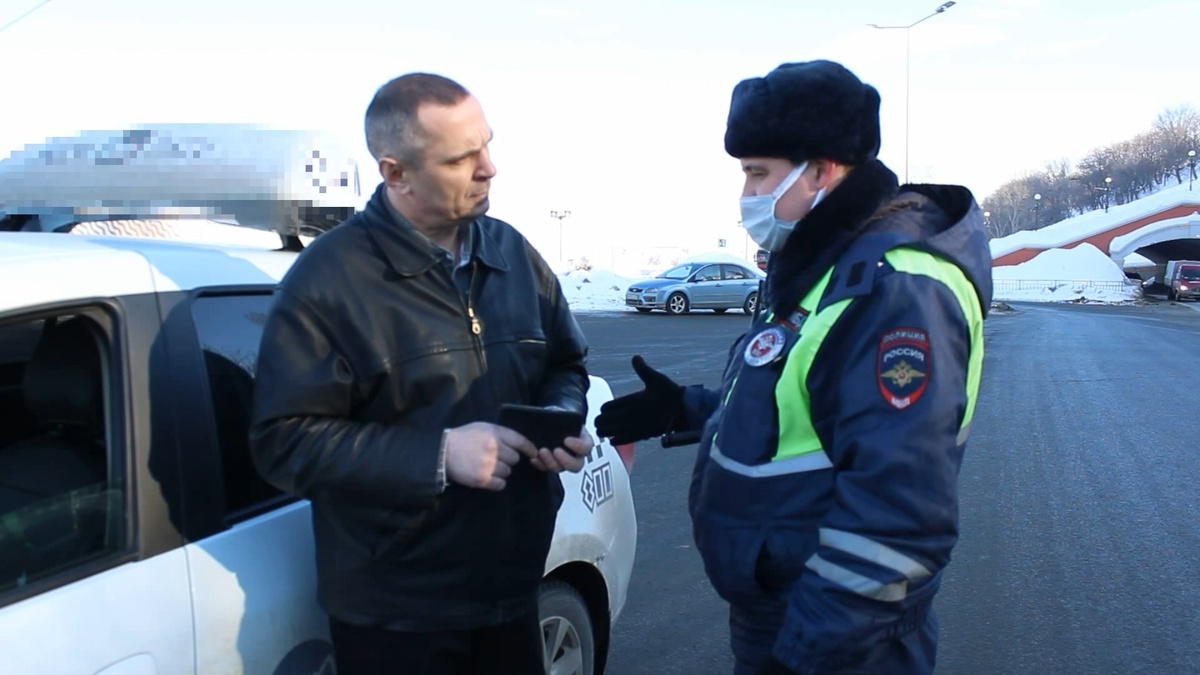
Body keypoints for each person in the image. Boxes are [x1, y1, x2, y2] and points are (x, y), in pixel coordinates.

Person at [596, 60, 992, 674]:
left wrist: (808, 653)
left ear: (822, 170)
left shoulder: (895, 288)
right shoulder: (823, 261)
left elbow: (900, 512)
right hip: (783, 612)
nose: (747, 195)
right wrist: (693, 408)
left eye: (759, 174)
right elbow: (805, 403)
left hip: (839, 639)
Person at [248, 72, 594, 675]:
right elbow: (283, 441)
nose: (489, 168)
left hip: (512, 588)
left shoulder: (513, 254)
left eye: (488, 144)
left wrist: (559, 419)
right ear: (396, 173)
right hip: (396, 616)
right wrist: (437, 456)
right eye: (463, 158)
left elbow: (565, 362)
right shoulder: (327, 283)